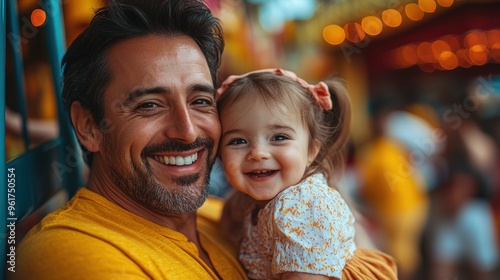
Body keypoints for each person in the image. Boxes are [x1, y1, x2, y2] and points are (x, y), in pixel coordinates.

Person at [10, 0, 247, 279]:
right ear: (89, 127)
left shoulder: (223, 216)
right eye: (149, 105)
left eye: (200, 101)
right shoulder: (75, 252)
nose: (188, 132)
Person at [216, 69, 398, 279]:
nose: (258, 153)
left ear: (311, 150)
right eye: (238, 141)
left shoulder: (302, 206)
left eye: (279, 137)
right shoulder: (248, 204)